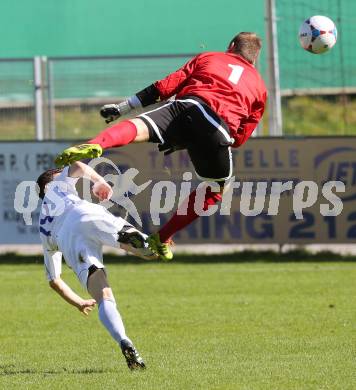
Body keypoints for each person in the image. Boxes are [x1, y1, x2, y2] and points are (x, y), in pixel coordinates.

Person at [55, 32, 267, 261]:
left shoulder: (210, 57)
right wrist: (202, 138)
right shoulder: (260, 89)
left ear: (231, 45)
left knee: (137, 126)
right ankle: (163, 237)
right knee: (217, 188)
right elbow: (240, 138)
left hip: (186, 106)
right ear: (255, 59)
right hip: (217, 129)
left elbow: (166, 86)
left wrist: (122, 107)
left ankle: (95, 144)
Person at [37, 161, 156, 370]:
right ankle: (140, 243)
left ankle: (124, 340)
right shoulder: (56, 184)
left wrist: (79, 303)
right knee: (150, 251)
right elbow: (77, 165)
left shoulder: (41, 226)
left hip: (67, 238)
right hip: (85, 213)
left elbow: (54, 280)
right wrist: (99, 181)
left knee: (104, 297)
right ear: (51, 180)